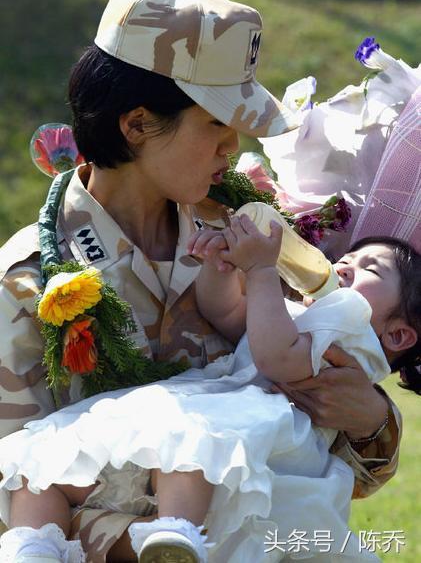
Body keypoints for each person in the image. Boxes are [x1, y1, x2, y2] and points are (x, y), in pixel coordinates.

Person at [0, 0, 402, 562]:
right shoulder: (32, 283)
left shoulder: (249, 232)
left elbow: (328, 461)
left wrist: (370, 420)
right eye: (215, 122)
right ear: (136, 125)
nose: (232, 147)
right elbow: (18, 499)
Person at [1, 222, 420, 563]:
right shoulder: (306, 310)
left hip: (261, 430)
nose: (344, 265)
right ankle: (33, 548)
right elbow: (227, 314)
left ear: (398, 335)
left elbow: (279, 360)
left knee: (195, 439)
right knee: (45, 460)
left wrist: (261, 274)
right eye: (344, 257)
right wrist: (219, 269)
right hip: (225, 407)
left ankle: (175, 533)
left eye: (370, 269)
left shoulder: (353, 325)